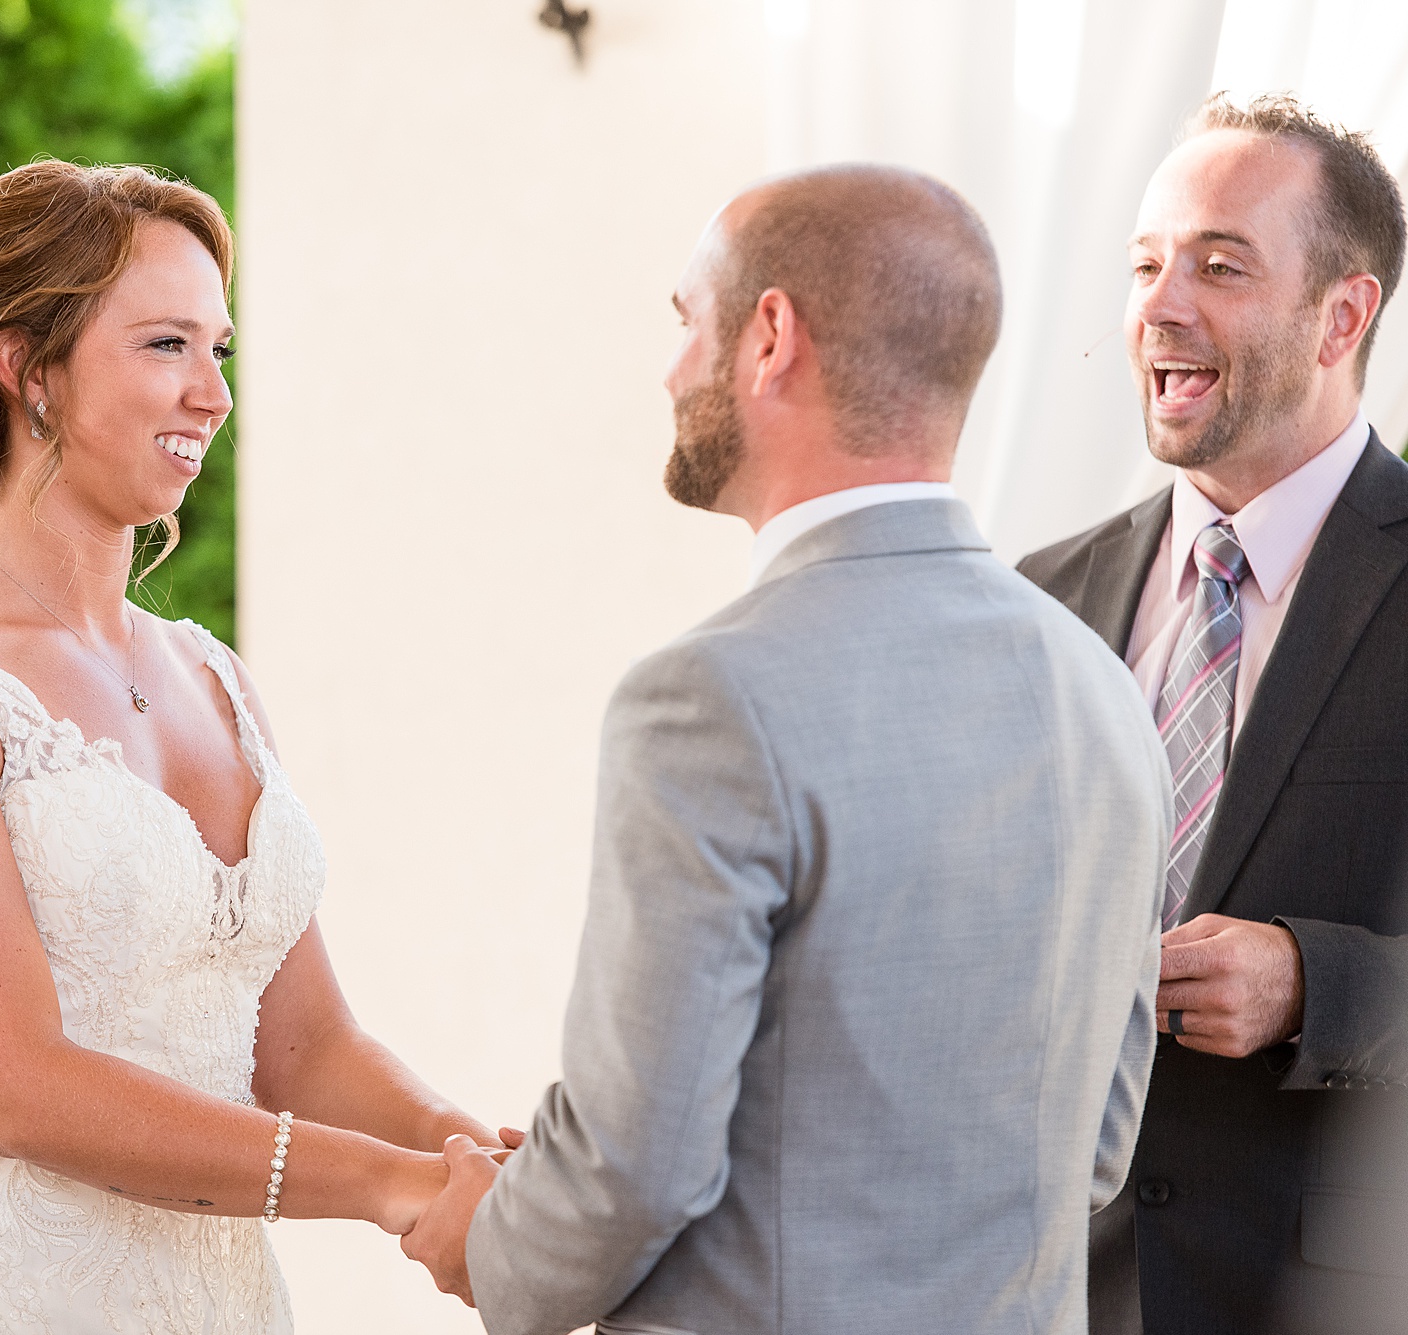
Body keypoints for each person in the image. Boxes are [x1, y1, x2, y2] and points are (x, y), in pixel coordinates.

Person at [400, 165, 1174, 1334]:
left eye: (683, 324)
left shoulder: (710, 696)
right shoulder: (1101, 689)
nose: (668, 370)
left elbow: (636, 1165)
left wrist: (496, 1238)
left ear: (769, 338)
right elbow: (1093, 1150)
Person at [0, 160, 515, 1334]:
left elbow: (307, 1046)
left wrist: (480, 1159)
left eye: (219, 350)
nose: (213, 394)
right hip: (4, 1293)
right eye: (164, 346)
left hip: (215, 1297)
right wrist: (386, 1190)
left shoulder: (212, 674)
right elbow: (17, 1089)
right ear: (26, 368)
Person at [1017, 94, 1408, 1332]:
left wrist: (1312, 985)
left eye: (1219, 266)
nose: (1158, 306)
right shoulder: (1040, 599)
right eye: (1145, 264)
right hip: (1048, 1291)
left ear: (1340, 315)